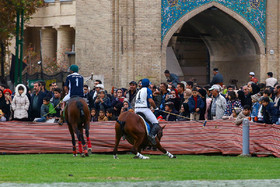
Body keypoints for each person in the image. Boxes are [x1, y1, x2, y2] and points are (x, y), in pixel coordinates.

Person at [135, 78, 159, 145]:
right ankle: (151, 136)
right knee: (156, 124)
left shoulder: (139, 90)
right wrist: (155, 107)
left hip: (136, 109)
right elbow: (150, 100)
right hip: (144, 109)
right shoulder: (148, 90)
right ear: (148, 84)